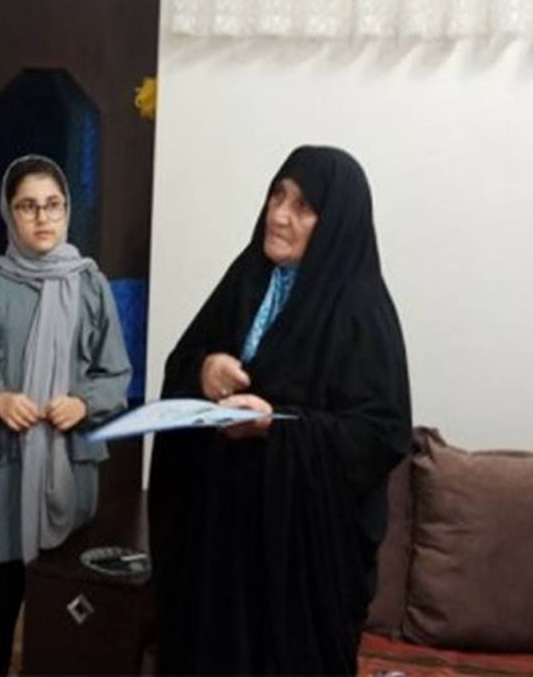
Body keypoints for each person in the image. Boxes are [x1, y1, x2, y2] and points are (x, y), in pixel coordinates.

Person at [148, 145, 411, 675]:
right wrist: (205, 370)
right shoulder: (246, 276)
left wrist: (277, 427)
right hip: (223, 540)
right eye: (277, 195)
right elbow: (184, 361)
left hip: (297, 560)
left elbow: (380, 434)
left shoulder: (359, 308)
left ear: (334, 224)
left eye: (303, 207)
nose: (280, 215)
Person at [0, 155, 133, 676]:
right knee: (1, 597)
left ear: (68, 210)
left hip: (70, 464)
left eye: (53, 205)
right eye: (28, 206)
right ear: (9, 213)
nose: (43, 217)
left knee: (67, 600)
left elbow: (117, 374)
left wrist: (84, 402)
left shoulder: (90, 283)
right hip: (3, 464)